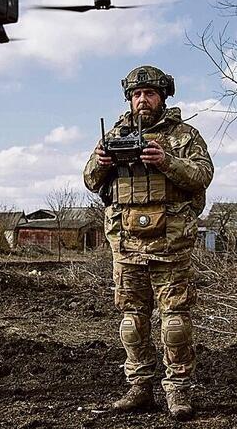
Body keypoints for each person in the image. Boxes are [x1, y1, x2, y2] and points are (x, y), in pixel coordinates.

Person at [83, 65, 214, 420]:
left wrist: (166, 161)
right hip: (126, 247)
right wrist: (100, 161)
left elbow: (203, 175)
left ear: (163, 97)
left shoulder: (184, 136)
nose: (143, 100)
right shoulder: (114, 135)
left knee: (174, 323)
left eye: (150, 93)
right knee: (131, 322)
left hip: (170, 246)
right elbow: (91, 181)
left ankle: (178, 392)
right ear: (130, 98)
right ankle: (140, 388)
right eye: (137, 94)